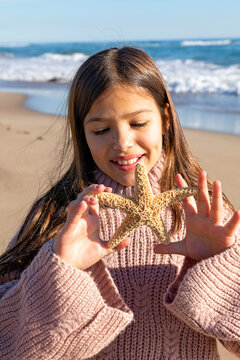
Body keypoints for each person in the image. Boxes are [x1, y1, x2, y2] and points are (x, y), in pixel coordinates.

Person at [0, 47, 240, 360]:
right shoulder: (58, 218)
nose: (122, 143)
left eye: (138, 123)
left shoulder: (205, 211)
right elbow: (10, 345)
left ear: (165, 118)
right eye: (101, 130)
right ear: (82, 132)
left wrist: (223, 270)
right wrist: (60, 269)